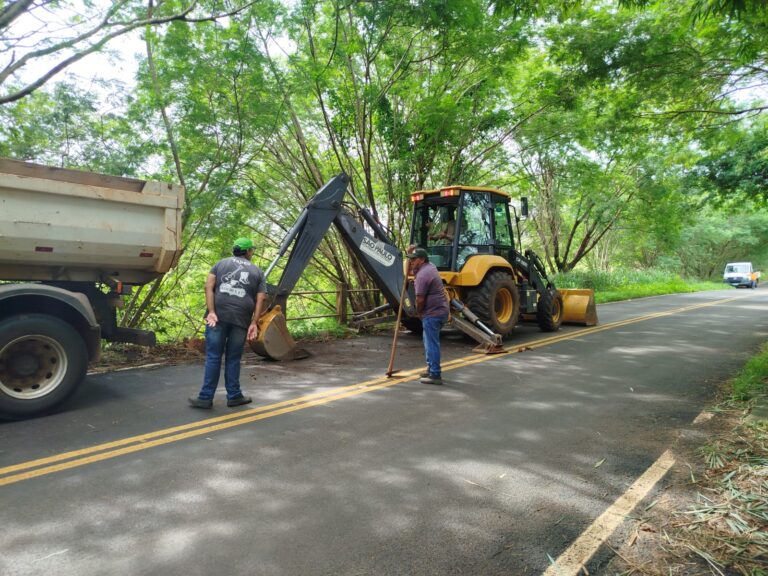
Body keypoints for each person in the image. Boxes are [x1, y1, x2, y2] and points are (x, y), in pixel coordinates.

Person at [189, 237, 267, 409]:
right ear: (248, 251)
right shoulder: (257, 271)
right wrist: (254, 323)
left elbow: (208, 286)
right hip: (241, 319)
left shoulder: (220, 264)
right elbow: (261, 298)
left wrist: (211, 311)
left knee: (213, 357)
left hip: (218, 317)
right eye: (252, 250)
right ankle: (234, 396)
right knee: (233, 358)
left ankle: (205, 398)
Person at [406, 247, 450, 385]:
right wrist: (409, 253)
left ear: (422, 260)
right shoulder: (429, 266)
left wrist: (419, 312)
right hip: (440, 310)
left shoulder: (423, 275)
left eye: (414, 259)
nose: (411, 262)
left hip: (433, 313)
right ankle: (431, 369)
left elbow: (420, 300)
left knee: (431, 343)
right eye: (411, 259)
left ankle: (435, 374)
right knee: (428, 341)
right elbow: (409, 271)